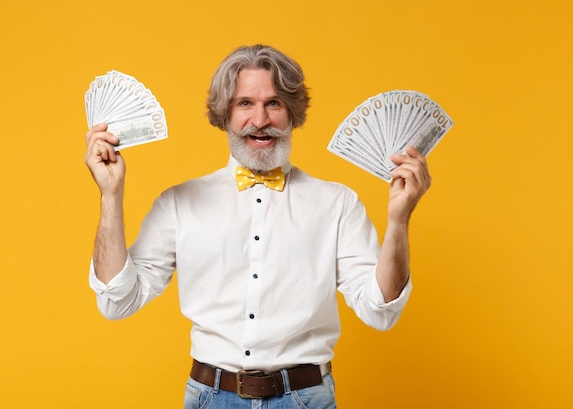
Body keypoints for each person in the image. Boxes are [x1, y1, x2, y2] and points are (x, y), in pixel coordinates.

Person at [84, 44, 431, 409]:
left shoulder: (337, 204)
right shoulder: (178, 203)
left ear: (292, 113)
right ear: (225, 114)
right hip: (210, 398)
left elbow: (380, 312)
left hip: (305, 399)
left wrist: (399, 219)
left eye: (275, 103)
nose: (260, 119)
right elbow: (116, 302)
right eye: (245, 103)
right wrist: (111, 195)